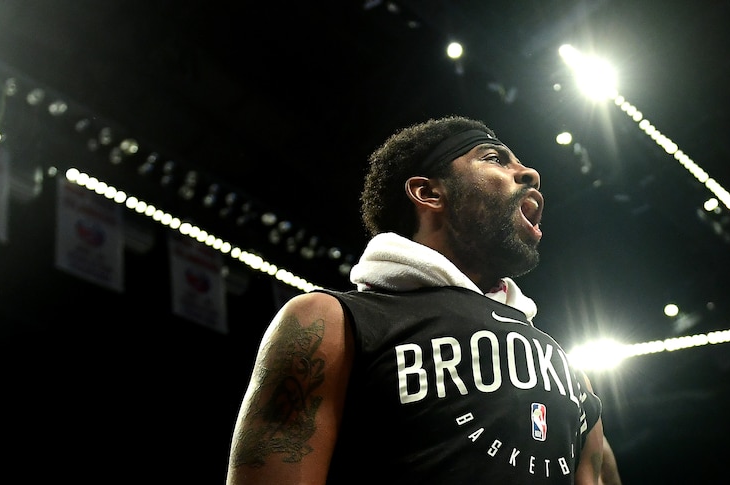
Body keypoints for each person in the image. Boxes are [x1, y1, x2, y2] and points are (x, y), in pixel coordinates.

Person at [226, 115, 616, 484]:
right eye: (495, 158)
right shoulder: (329, 322)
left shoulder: (570, 375)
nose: (530, 173)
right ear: (428, 193)